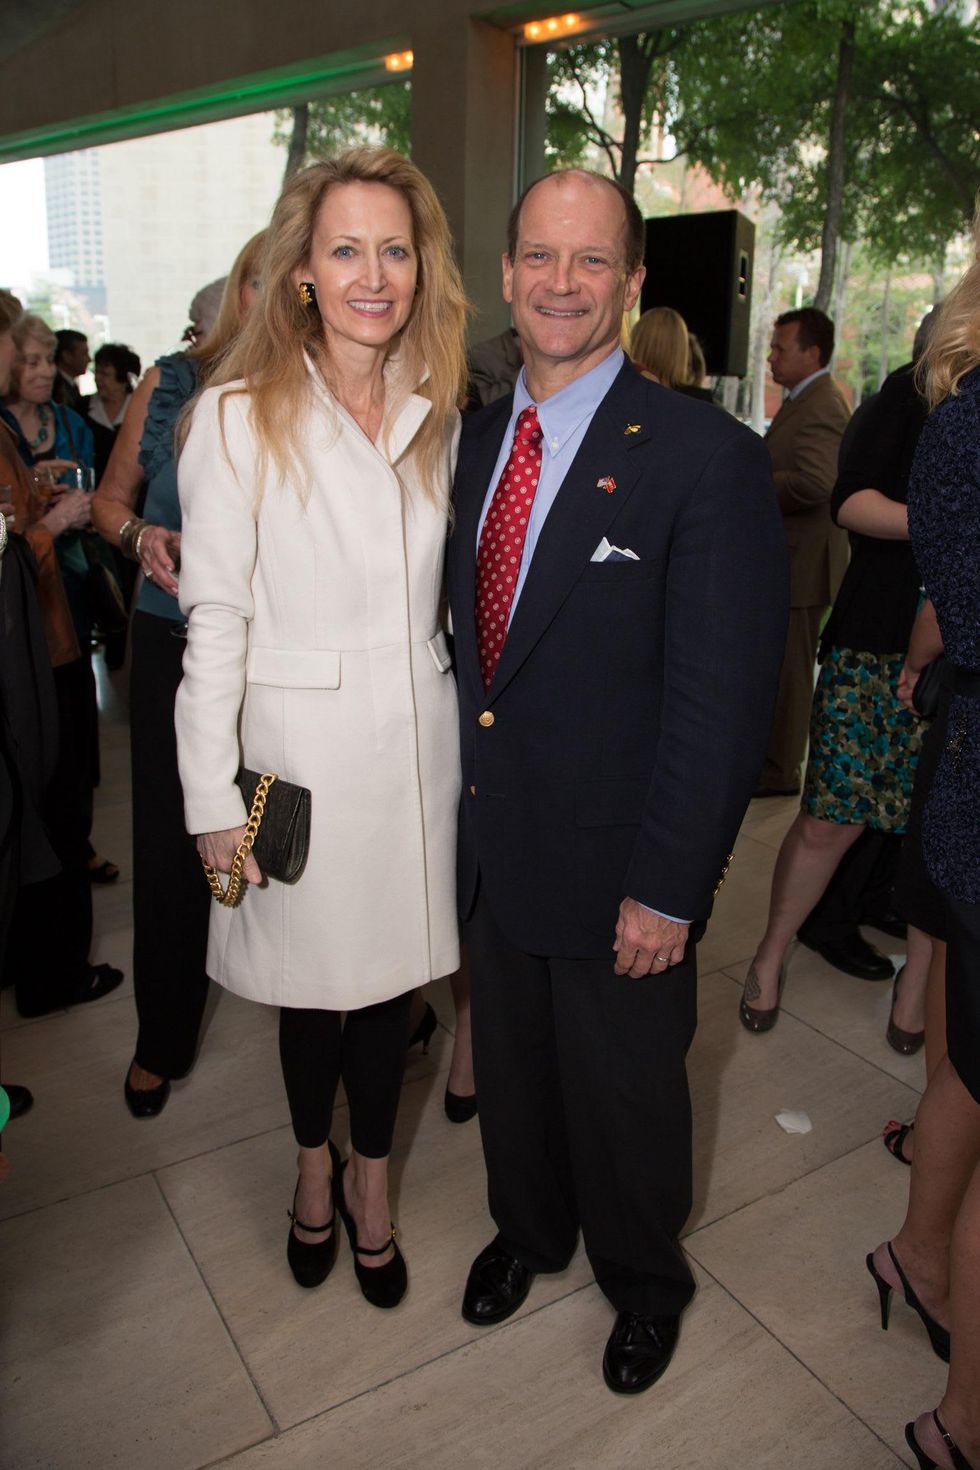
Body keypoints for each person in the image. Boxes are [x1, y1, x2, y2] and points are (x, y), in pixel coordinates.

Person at [447, 169, 787, 1393]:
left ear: (630, 281)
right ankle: (528, 1231)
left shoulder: (702, 457)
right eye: (539, 256)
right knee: (516, 1080)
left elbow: (720, 702)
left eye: (590, 260)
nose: (561, 283)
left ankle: (644, 1283)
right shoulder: (469, 442)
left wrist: (669, 887)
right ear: (504, 272)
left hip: (619, 871)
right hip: (493, 848)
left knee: (628, 1099)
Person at [173, 147, 467, 1305]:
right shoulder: (235, 417)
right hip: (299, 770)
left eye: (393, 250)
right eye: (346, 249)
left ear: (421, 268)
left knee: (391, 992)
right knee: (311, 990)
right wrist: (208, 801)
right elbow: (216, 623)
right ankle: (312, 1166)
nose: (371, 275)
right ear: (301, 269)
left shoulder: (438, 415)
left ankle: (372, 1182)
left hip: (416, 762)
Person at [91, 231, 267, 1118]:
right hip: (175, 636)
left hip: (283, 650)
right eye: (263, 280)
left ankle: (366, 1005)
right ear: (239, 289)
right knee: (172, 840)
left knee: (293, 825)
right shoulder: (172, 382)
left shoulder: (322, 389)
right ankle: (161, 1036)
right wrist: (139, 536)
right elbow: (108, 501)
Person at [868, 219, 980, 1470]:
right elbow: (946, 607)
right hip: (969, 757)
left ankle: (915, 1251)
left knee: (965, 1052)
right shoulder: (962, 422)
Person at [740, 330, 934, 1042]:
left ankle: (915, 991)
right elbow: (846, 500)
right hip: (876, 637)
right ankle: (769, 955)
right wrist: (949, 524)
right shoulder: (907, 395)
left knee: (935, 835)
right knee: (831, 816)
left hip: (959, 654)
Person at [0, 289, 122, 1016]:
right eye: (25, 354)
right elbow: (11, 553)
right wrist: (49, 524)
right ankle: (53, 973)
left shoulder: (56, 426)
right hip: (34, 645)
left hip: (54, 627)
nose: (36, 366)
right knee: (49, 799)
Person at [758, 306, 851, 796]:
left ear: (812, 353)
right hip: (792, 560)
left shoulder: (822, 405)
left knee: (793, 673)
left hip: (804, 563)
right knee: (783, 668)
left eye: (780, 348)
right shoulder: (804, 399)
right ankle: (774, 762)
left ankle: (781, 770)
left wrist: (755, 482)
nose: (771, 357)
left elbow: (818, 482)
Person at [84, 342, 141, 480]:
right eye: (96, 372)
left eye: (105, 374)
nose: (97, 378)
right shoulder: (82, 407)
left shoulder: (140, 408)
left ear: (124, 380)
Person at [52, 329, 89, 411]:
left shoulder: (69, 386)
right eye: (84, 354)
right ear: (67, 356)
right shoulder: (57, 390)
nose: (89, 359)